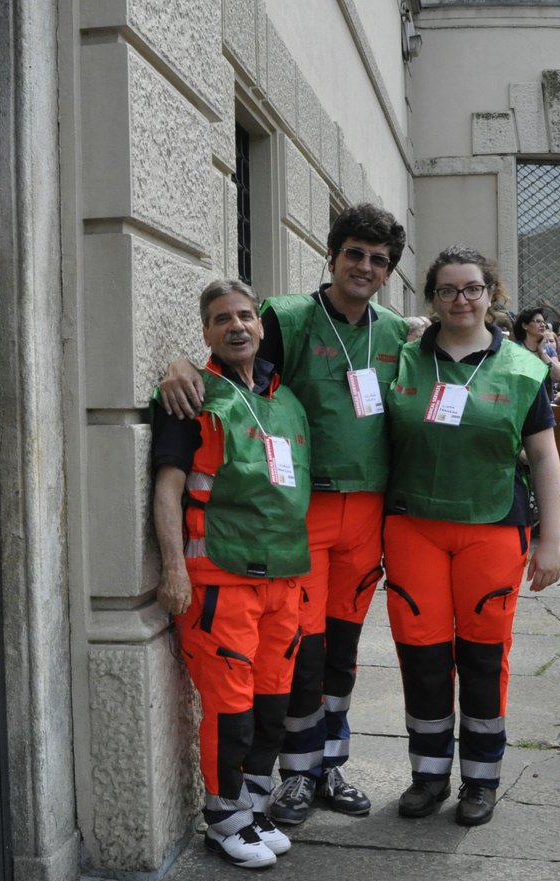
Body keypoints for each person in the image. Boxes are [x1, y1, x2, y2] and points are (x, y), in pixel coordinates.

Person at [156, 203, 412, 826]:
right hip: (309, 509)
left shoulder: (399, 330)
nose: (364, 266)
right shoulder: (289, 316)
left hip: (369, 508)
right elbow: (233, 361)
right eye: (354, 253)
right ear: (333, 256)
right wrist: (179, 365)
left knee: (345, 648)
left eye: (378, 260)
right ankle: (296, 772)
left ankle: (330, 762)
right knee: (305, 648)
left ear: (388, 273)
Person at [382, 246, 560, 826]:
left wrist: (550, 540)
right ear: (431, 298)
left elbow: (545, 459)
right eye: (446, 290)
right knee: (423, 656)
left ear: (491, 294)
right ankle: (428, 775)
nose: (460, 300)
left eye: (471, 289)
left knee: (485, 659)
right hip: (413, 527)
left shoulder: (523, 370)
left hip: (491, 529)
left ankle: (480, 781)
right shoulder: (402, 360)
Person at [151, 280, 312, 868]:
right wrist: (174, 571)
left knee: (272, 704)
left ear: (262, 326)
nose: (237, 325)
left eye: (246, 315)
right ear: (206, 333)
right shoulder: (192, 397)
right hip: (218, 578)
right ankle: (222, 819)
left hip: (284, 579)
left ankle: (251, 806)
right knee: (230, 708)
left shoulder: (286, 398)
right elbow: (168, 489)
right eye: (222, 319)